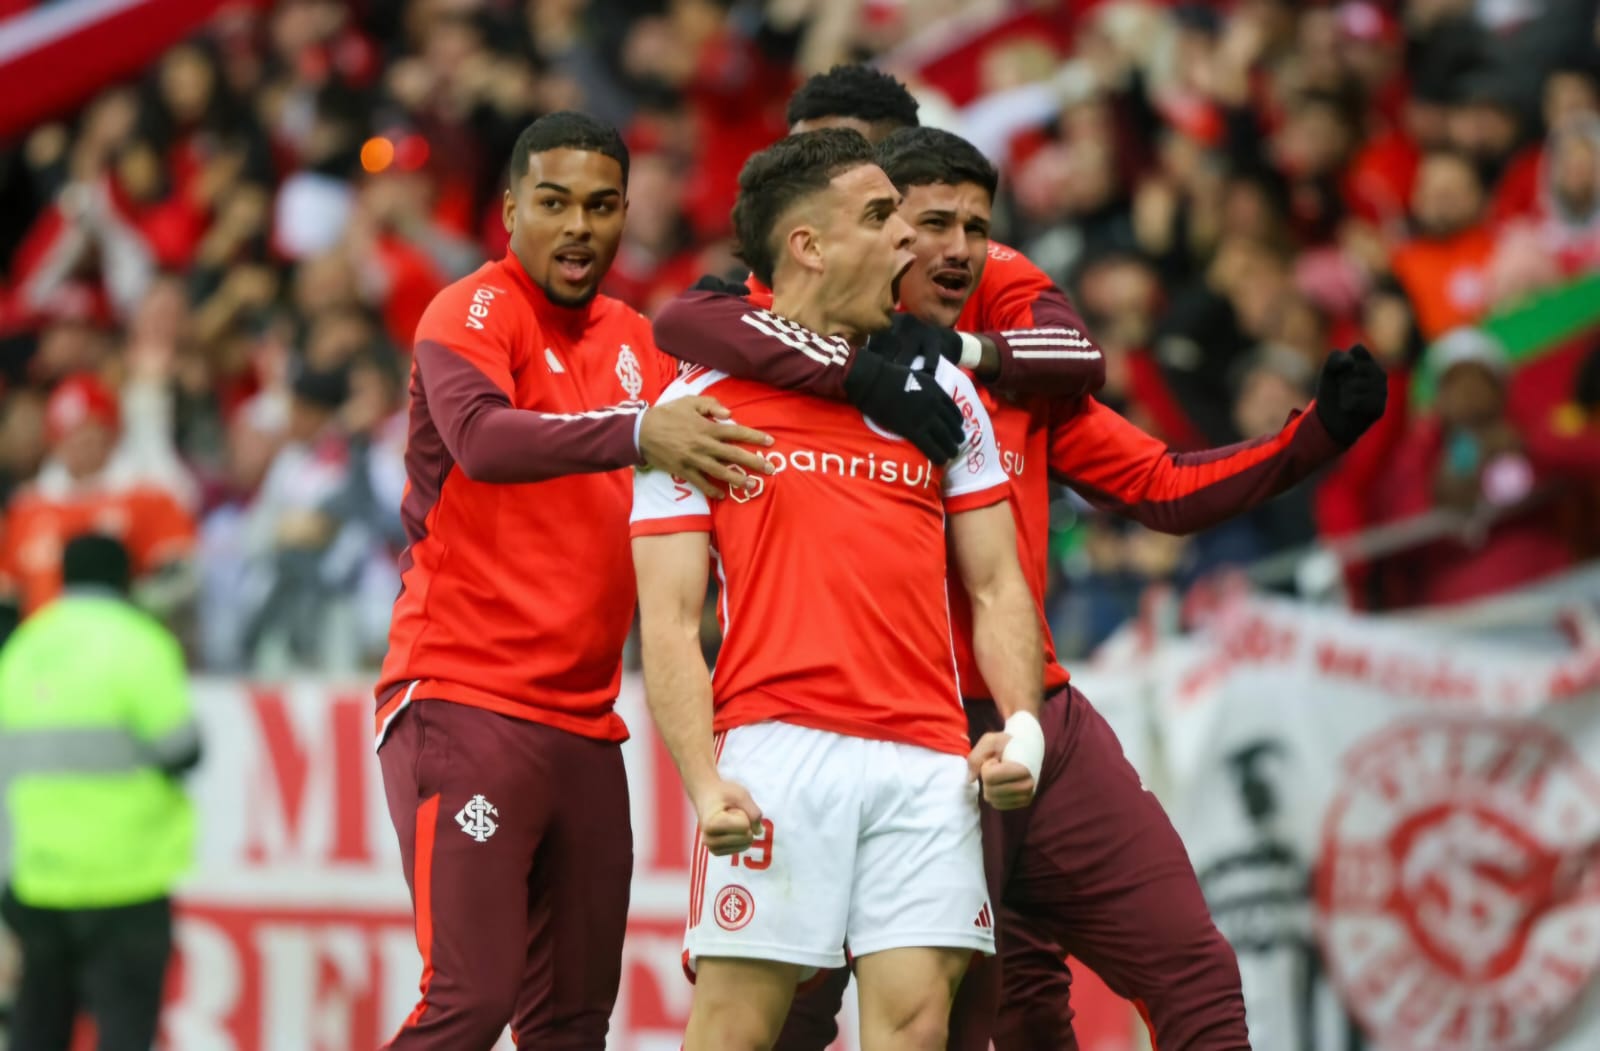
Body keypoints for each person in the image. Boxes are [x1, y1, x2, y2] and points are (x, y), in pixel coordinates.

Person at [663, 122, 1389, 1051]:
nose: (960, 247)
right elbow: (690, 318)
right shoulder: (763, 357)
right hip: (894, 732)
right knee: (930, 1016)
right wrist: (862, 371)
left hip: (1032, 719)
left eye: (978, 225)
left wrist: (1312, 438)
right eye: (923, 221)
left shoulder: (988, 376)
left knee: (1190, 974)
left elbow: (1155, 475)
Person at [372, 111, 781, 1050]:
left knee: (570, 1025)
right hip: (462, 699)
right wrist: (638, 430)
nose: (579, 227)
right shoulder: (472, 309)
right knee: (468, 1002)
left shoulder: (640, 338)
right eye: (553, 204)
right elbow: (481, 439)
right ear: (510, 209)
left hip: (588, 729)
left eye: (601, 207)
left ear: (626, 214)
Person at [631, 128, 1045, 1051]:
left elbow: (996, 583)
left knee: (916, 1024)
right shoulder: (701, 404)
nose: (910, 239)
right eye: (880, 217)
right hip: (777, 754)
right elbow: (666, 622)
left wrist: (1022, 726)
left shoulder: (945, 396)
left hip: (927, 760)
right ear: (807, 246)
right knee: (734, 1029)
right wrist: (703, 784)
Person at [0, 533, 200, 1051]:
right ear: (126, 578)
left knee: (38, 1029)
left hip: (39, 880)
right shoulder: (141, 643)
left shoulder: (23, 648)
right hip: (126, 879)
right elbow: (181, 748)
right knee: (124, 1030)